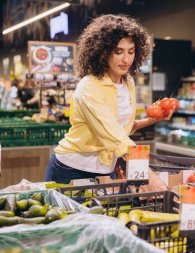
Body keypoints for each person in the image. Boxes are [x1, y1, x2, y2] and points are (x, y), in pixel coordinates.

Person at [45, 14, 169, 191]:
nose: (125, 59)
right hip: (72, 170)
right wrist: (148, 174)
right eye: (118, 51)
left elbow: (120, 127)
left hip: (105, 170)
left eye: (131, 51)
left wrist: (150, 121)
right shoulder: (90, 87)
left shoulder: (128, 82)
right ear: (103, 52)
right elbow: (111, 133)